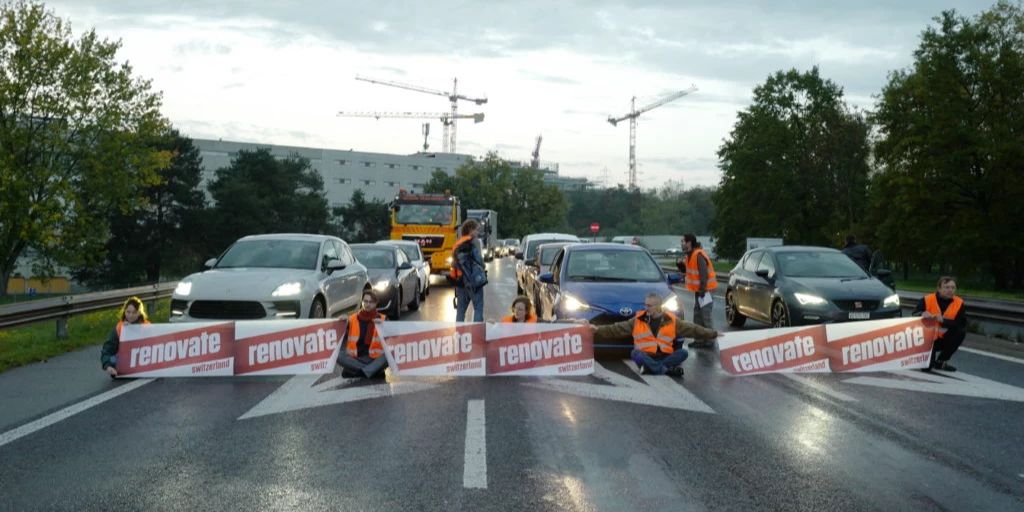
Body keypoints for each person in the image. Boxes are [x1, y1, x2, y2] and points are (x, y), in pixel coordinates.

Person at [588, 292, 721, 377]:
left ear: (659, 307)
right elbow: (616, 329)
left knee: (683, 353)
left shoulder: (671, 320)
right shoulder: (638, 319)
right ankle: (665, 370)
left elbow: (693, 329)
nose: (646, 308)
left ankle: (654, 368)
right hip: (644, 357)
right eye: (646, 305)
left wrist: (713, 334)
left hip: (663, 356)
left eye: (650, 306)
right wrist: (598, 329)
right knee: (635, 353)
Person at [913, 276, 967, 372]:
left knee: (960, 332)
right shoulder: (927, 299)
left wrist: (944, 321)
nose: (950, 290)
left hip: (944, 338)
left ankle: (941, 361)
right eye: (947, 287)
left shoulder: (959, 303)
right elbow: (913, 315)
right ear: (939, 288)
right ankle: (924, 358)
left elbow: (961, 323)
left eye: (953, 288)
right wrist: (921, 314)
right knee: (926, 368)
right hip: (927, 338)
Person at [676, 234, 717, 348]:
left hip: (706, 290)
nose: (682, 243)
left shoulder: (698, 255)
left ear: (689, 243)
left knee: (705, 316)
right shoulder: (689, 255)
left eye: (683, 241)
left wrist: (703, 290)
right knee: (697, 315)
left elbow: (704, 274)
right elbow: (689, 271)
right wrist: (680, 266)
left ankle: (709, 340)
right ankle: (699, 340)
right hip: (699, 291)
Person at [338, 290, 388, 378]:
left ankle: (359, 371)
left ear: (376, 303)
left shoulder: (383, 319)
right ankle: (370, 371)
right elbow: (338, 335)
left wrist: (384, 326)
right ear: (362, 302)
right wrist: (342, 323)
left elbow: (394, 340)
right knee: (338, 355)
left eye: (371, 302)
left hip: (374, 358)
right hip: (356, 358)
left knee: (390, 354)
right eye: (365, 301)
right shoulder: (352, 318)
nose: (367, 304)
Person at [100, 296, 151, 378]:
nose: (130, 315)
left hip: (143, 359)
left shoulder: (147, 326)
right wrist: (107, 365)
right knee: (112, 360)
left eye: (134, 312)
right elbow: (107, 349)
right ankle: (116, 370)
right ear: (124, 312)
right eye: (128, 312)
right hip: (125, 359)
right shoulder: (119, 327)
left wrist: (132, 329)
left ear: (139, 313)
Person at [451, 218, 487, 322]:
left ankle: (459, 334)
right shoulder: (474, 241)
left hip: (460, 281)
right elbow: (479, 260)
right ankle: (476, 333)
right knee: (478, 307)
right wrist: (483, 267)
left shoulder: (457, 243)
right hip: (474, 281)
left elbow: (454, 263)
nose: (477, 232)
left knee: (460, 311)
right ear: (470, 229)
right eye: (476, 230)